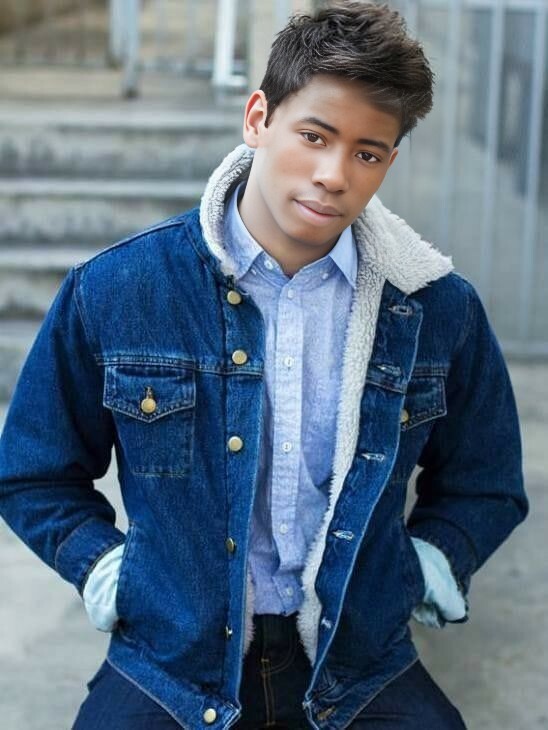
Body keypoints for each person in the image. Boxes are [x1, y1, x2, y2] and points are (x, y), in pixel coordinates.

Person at [0, 2, 527, 729]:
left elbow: (486, 482)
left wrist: (428, 564)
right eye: (314, 136)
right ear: (258, 119)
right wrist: (106, 570)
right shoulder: (120, 289)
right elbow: (32, 471)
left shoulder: (435, 307)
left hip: (361, 663)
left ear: (389, 162)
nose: (334, 175)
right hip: (170, 664)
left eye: (367, 153)